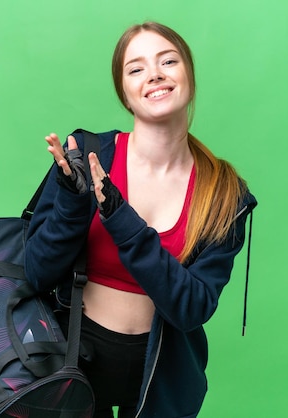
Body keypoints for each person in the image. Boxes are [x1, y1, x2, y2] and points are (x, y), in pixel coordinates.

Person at [25, 21, 257, 418]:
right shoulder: (87, 155)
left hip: (162, 380)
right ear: (126, 95)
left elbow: (192, 308)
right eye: (136, 68)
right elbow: (37, 274)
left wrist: (121, 219)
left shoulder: (224, 193)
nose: (155, 74)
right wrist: (73, 204)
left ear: (189, 77)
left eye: (168, 61)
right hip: (72, 367)